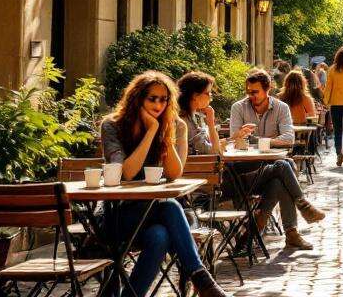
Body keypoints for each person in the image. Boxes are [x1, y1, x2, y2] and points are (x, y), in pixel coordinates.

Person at [100, 71, 229, 297]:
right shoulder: (113, 125)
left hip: (155, 215)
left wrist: (163, 132)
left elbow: (174, 174)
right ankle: (200, 277)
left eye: (164, 99)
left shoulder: (177, 126)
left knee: (160, 235)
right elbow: (127, 174)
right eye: (152, 98)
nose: (159, 104)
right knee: (169, 207)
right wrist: (151, 131)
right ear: (137, 98)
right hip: (119, 215)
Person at [228, 69, 324, 250]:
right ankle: (300, 212)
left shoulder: (281, 107)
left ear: (268, 89)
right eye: (248, 92)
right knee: (284, 165)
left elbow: (289, 139)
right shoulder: (238, 108)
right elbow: (235, 140)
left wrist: (263, 141)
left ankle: (262, 227)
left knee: (281, 177)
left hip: (270, 169)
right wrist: (247, 138)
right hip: (246, 171)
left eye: (255, 92)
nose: (251, 96)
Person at [177, 71, 224, 156]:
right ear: (194, 95)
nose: (210, 97)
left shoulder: (191, 117)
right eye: (207, 93)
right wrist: (211, 124)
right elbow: (216, 151)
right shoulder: (184, 122)